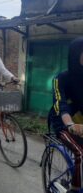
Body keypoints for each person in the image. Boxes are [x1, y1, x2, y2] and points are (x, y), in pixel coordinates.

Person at [48, 37, 83, 193]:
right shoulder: (61, 78)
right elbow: (60, 104)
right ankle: (75, 189)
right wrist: (70, 124)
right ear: (76, 54)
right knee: (80, 153)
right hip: (63, 122)